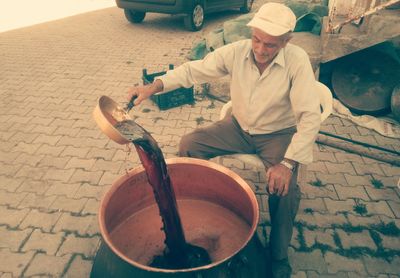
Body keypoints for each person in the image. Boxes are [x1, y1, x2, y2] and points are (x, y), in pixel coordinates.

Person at [127, 2, 321, 277]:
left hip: (277, 134)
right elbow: (194, 70)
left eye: (271, 45)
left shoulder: (297, 60)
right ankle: (200, 208)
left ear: (286, 42)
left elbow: (310, 116)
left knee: (284, 189)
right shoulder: (237, 51)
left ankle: (278, 256)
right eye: (257, 40)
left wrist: (288, 163)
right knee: (189, 145)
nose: (261, 50)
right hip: (238, 127)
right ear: (251, 33)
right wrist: (154, 86)